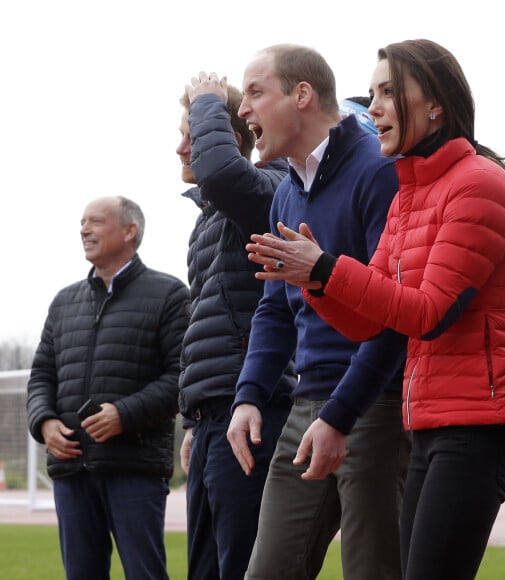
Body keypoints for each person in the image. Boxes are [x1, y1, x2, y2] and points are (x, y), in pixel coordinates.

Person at [243, 39, 505, 580]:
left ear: (436, 106)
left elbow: (428, 313)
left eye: (388, 92)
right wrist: (313, 282)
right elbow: (371, 320)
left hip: (481, 426)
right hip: (427, 419)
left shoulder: (479, 185)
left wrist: (327, 269)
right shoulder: (409, 192)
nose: (373, 106)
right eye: (374, 91)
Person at [227, 44, 410, 580]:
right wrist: (249, 396)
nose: (243, 110)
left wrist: (341, 415)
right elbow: (275, 310)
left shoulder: (380, 170)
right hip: (308, 403)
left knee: (372, 569)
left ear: (302, 95)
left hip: (375, 404)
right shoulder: (286, 194)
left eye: (256, 92)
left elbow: (397, 310)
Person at [26, 196, 190, 580]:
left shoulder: (169, 295)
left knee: (145, 574)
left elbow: (182, 377)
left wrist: (124, 414)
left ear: (130, 231)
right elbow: (41, 375)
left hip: (134, 468)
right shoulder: (64, 302)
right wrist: (44, 423)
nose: (84, 229)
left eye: (96, 221)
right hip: (71, 470)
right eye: (83, 222)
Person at [175, 72, 297, 580]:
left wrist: (207, 99)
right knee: (204, 569)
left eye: (192, 132)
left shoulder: (269, 187)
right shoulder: (207, 220)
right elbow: (201, 325)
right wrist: (193, 418)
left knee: (240, 566)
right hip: (214, 412)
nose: (181, 146)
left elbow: (224, 175)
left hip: (251, 409)